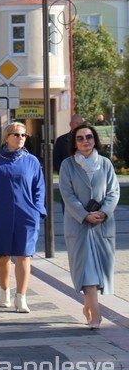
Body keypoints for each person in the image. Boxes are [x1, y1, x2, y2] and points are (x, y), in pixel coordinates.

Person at [0, 122, 45, 313]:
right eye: (16, 134)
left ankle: (21, 297)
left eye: (23, 135)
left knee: (24, 254)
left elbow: (39, 187)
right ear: (6, 137)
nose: (20, 138)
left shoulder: (32, 161)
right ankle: (4, 291)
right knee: (2, 255)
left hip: (26, 214)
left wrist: (38, 209)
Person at [59, 124, 120, 330]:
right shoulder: (68, 165)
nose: (85, 141)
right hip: (78, 226)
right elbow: (67, 195)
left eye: (89, 137)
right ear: (74, 143)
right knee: (87, 274)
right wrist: (85, 215)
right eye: (80, 138)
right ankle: (97, 314)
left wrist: (103, 212)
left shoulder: (105, 164)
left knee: (96, 274)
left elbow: (114, 192)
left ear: (94, 140)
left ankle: (89, 308)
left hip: (102, 226)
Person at [53, 115, 85, 214]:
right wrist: (63, 173)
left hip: (85, 179)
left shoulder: (88, 140)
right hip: (68, 179)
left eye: (81, 123)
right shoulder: (62, 140)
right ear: (70, 125)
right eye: (77, 123)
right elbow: (56, 159)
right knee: (68, 208)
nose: (79, 125)